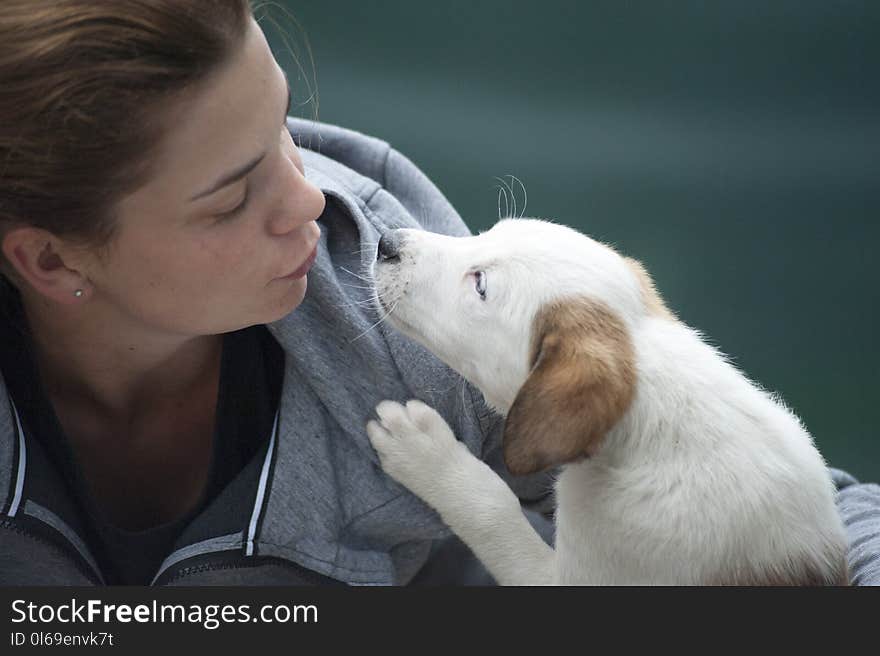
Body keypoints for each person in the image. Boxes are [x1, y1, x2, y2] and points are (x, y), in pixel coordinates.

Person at [0, 1, 876, 586]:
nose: (311, 198)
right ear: (48, 261)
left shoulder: (414, 336)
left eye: (282, 128)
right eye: (233, 197)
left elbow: (790, 513)